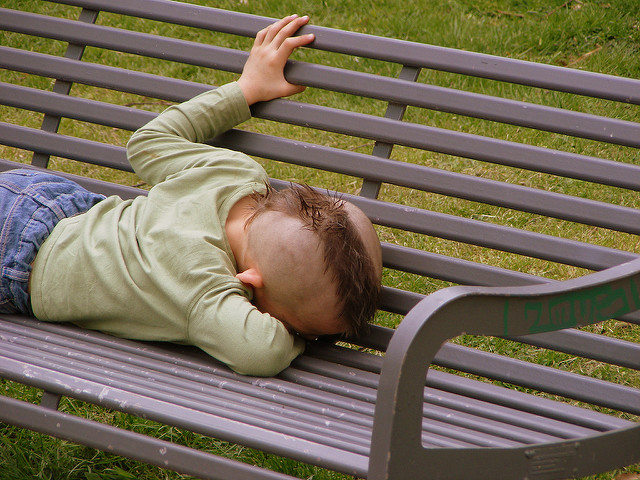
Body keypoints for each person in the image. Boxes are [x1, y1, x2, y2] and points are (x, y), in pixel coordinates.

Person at [0, 15, 382, 376]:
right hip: (17, 262)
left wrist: (246, 90)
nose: (309, 340)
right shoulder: (205, 290)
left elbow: (148, 142)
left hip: (53, 203)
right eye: (307, 333)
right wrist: (297, 337)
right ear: (250, 280)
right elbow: (260, 352)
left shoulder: (236, 175)